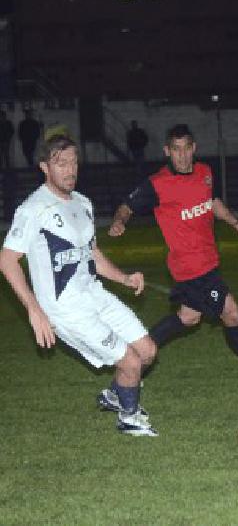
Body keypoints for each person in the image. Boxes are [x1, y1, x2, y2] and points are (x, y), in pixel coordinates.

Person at [0, 135, 159, 436]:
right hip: (65, 308)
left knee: (148, 351)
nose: (70, 170)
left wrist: (124, 278)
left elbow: (92, 254)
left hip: (94, 294)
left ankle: (115, 395)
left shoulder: (83, 203)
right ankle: (129, 417)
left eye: (74, 162)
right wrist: (34, 310)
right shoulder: (33, 209)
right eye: (62, 164)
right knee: (130, 362)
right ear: (45, 167)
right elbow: (7, 260)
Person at [108, 124, 238, 380]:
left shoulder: (205, 172)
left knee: (189, 317)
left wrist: (234, 222)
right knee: (231, 313)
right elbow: (126, 206)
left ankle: (134, 356)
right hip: (191, 268)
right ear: (167, 151)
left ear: (194, 148)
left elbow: (212, 201)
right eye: (176, 150)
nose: (182, 156)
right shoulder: (158, 184)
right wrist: (119, 222)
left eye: (186, 149)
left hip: (208, 261)